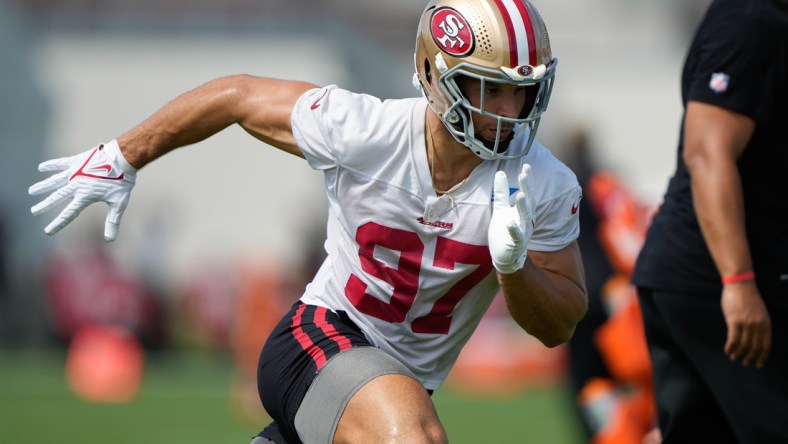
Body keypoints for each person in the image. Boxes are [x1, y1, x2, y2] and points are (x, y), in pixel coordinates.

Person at [28, 0, 588, 442]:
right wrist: (126, 154)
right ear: (436, 77)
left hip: (394, 390)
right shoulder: (367, 132)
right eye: (492, 89)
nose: (511, 112)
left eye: (523, 90)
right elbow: (236, 96)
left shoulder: (543, 183)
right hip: (319, 339)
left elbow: (559, 324)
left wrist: (514, 268)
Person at [631, 0, 788, 442]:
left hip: (700, 279)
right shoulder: (751, 20)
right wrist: (737, 281)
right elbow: (707, 153)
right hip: (718, 283)